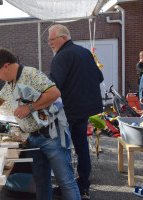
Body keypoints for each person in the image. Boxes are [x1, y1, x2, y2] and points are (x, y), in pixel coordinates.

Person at [0, 48, 80, 200]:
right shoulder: (10, 83)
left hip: (52, 135)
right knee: (42, 181)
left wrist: (29, 107)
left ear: (6, 65)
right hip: (33, 138)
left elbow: (54, 93)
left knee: (65, 181)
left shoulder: (31, 75)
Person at [48, 24, 104, 200]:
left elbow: (53, 86)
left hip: (69, 111)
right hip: (85, 110)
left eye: (51, 39)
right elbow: (99, 77)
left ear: (63, 38)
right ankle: (84, 186)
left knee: (61, 148)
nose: (49, 43)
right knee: (81, 147)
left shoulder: (61, 56)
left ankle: (67, 187)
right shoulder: (85, 52)